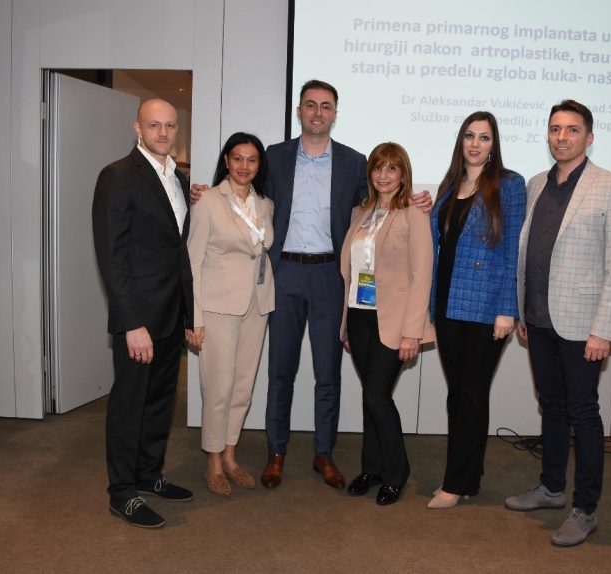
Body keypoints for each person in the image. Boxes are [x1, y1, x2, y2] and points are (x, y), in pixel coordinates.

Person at [189, 80, 431, 490]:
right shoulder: (275, 156)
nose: (318, 112)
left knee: (328, 374)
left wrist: (421, 200)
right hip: (282, 273)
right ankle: (276, 453)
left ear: (335, 113)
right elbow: (244, 195)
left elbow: (377, 205)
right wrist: (202, 191)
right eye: (310, 105)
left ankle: (324, 454)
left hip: (330, 277)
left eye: (326, 106)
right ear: (299, 111)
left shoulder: (355, 162)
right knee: (279, 371)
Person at [504, 100, 611, 547]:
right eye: (555, 129)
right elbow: (528, 252)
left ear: (589, 137)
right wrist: (523, 311)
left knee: (583, 413)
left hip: (583, 327)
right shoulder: (536, 184)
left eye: (572, 130)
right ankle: (551, 487)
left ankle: (585, 509)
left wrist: (603, 329)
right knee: (552, 406)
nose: (562, 137)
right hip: (538, 318)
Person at [92, 98, 195, 529]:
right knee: (130, 404)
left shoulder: (178, 178)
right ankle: (121, 492)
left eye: (170, 125)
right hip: (139, 318)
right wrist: (130, 323)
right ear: (138, 128)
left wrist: (188, 314)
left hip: (171, 312)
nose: (164, 133)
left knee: (160, 401)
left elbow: (176, 249)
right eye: (155, 125)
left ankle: (149, 474)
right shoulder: (117, 176)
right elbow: (111, 256)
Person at [427, 112, 526, 509]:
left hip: (486, 308)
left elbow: (512, 248)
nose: (475, 143)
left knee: (471, 394)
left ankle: (456, 482)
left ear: (493, 144)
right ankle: (466, 476)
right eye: (469, 135)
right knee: (458, 394)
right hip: (447, 303)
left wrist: (507, 309)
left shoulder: (509, 184)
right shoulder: (450, 185)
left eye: (484, 137)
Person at [339, 142, 434, 506]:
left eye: (392, 168)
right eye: (378, 168)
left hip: (394, 320)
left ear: (403, 174)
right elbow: (352, 272)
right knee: (370, 395)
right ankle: (372, 468)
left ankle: (396, 471)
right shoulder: (360, 212)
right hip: (360, 316)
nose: (384, 175)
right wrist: (346, 324)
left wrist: (413, 332)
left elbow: (421, 275)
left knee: (377, 395)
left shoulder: (413, 214)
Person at [185, 133, 274, 497]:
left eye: (251, 160)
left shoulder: (264, 204)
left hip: (257, 304)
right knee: (218, 387)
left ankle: (231, 457)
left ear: (259, 165)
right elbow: (192, 262)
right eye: (237, 158)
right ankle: (213, 461)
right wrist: (194, 317)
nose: (244, 166)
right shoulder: (207, 201)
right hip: (218, 306)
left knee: (242, 387)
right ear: (226, 161)